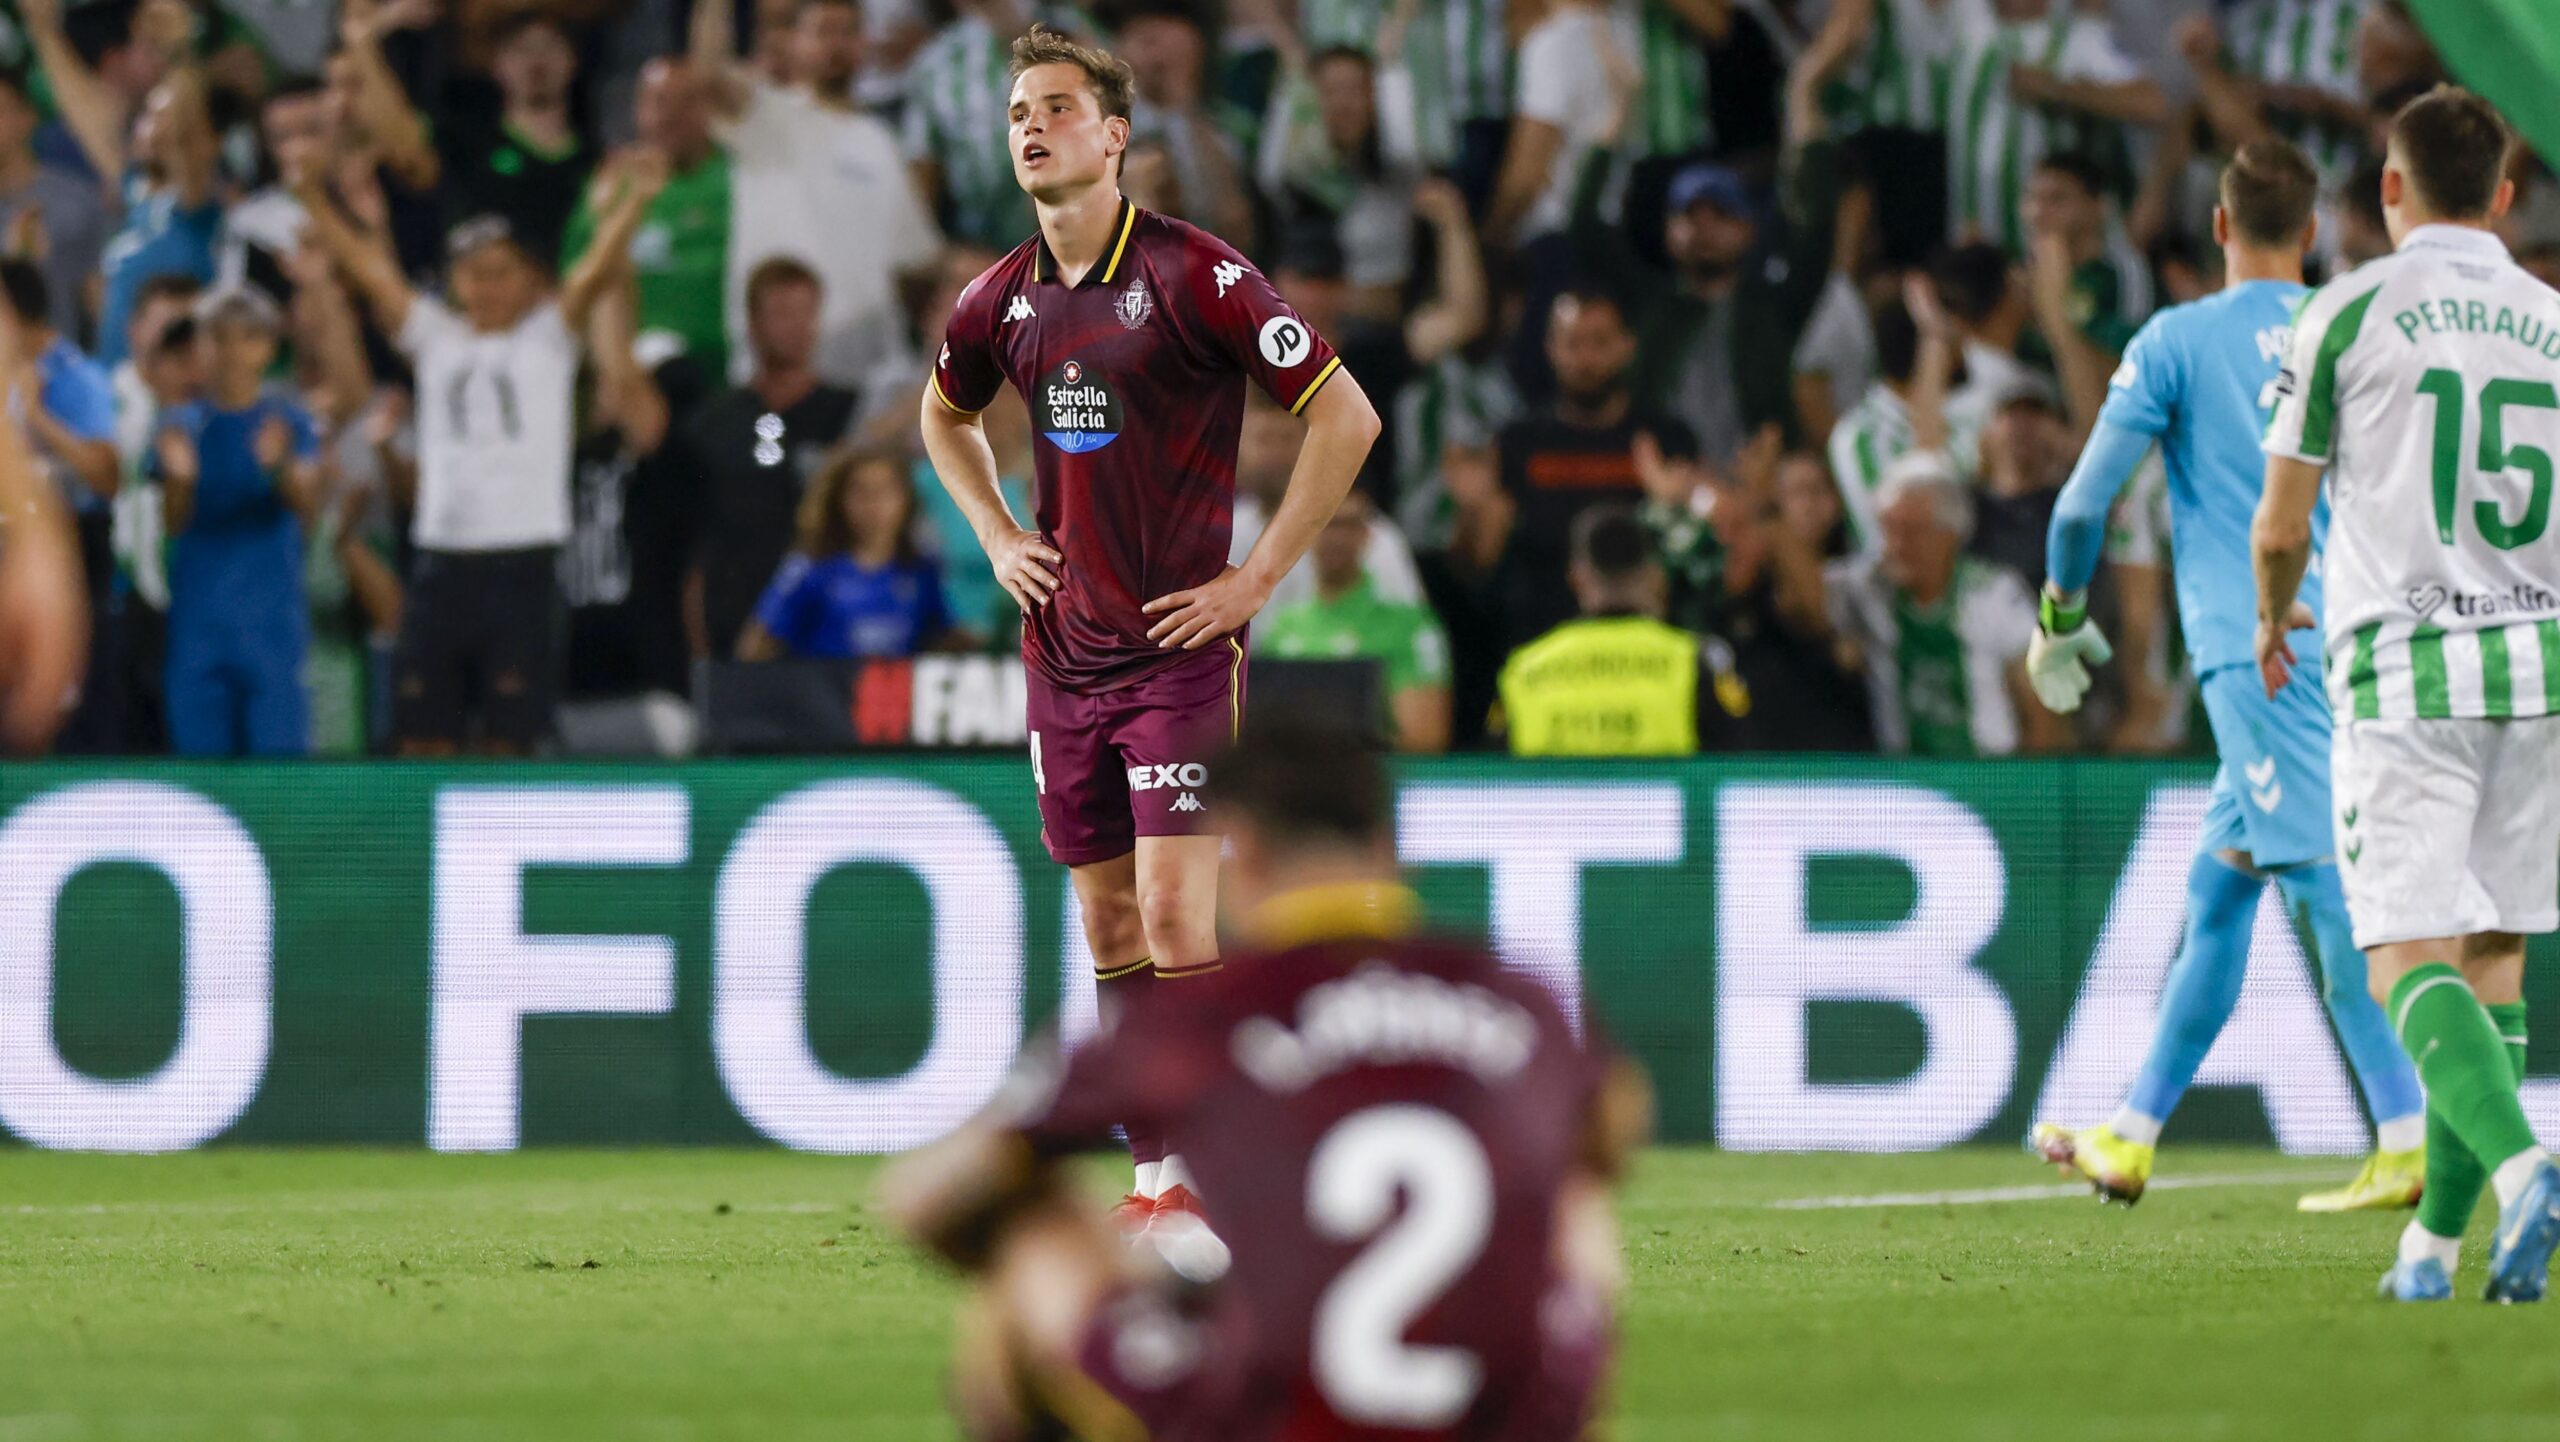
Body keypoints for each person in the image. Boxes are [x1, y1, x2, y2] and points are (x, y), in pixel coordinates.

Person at [877, 713, 1640, 1442]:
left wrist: (1169, 1290)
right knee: (1573, 1193)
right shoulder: (1518, 996)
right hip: (1500, 1420)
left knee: (1029, 1232)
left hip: (1259, 1421)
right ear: (1389, 849)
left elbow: (926, 1196)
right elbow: (1616, 1123)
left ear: (1238, 855)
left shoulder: (1193, 1018)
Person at [920, 26, 1379, 1222]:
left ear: (1115, 135)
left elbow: (1347, 416)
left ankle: (1225, 1169)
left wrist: (1256, 578)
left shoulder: (1195, 274)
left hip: (1177, 653)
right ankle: (1155, 1173)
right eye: (1019, 111)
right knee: (1110, 917)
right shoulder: (997, 297)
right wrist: (997, 535)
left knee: (1178, 912)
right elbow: (942, 417)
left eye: (1058, 107)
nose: (1032, 126)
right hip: (1062, 654)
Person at [2024, 140, 2428, 1216]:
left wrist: (2060, 617)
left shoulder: (2174, 340)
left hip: (2261, 647)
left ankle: (2406, 1136)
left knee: (2323, 888)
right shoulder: (2354, 327)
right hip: (2362, 637)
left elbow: (2080, 506)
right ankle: (2132, 1133)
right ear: (2311, 231)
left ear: (2218, 225)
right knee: (2220, 891)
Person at [2256, 88, 2560, 1303]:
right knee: (2491, 957)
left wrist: (2271, 611)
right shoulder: (2554, 318)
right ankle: (2431, 1252)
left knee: (2399, 959)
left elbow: (2281, 523)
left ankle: (2526, 1168)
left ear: (2388, 188)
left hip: (2406, 672)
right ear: (2502, 196)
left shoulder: (2344, 311)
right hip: (2541, 673)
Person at [300, 155, 665, 756]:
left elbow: (594, 272)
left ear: (527, 280)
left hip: (523, 559)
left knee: (510, 740)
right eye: (472, 273)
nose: (486, 286)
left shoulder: (548, 339)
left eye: (500, 272)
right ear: (454, 282)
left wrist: (632, 204)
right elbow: (373, 274)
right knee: (422, 736)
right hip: (442, 557)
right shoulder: (435, 338)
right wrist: (312, 199)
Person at [692, 0, 943, 387]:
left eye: (848, 32)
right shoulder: (766, 116)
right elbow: (708, 75)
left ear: (865, 44)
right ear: (793, 42)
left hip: (869, 376)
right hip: (779, 373)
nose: (836, 44)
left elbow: (918, 260)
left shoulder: (882, 144)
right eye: (823, 31)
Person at [1480, 287, 1693, 653]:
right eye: (1573, 343)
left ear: (1627, 346)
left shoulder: (1666, 440)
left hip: (1645, 645)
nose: (1586, 359)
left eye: (1600, 342)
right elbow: (1481, 564)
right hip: (1542, 645)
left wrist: (1673, 506)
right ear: (1550, 348)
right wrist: (1478, 511)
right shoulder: (1519, 443)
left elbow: (1697, 559)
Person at [154, 286, 319, 756]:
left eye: (246, 337)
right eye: (216, 337)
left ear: (268, 348)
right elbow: (173, 522)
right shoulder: (178, 425)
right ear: (198, 348)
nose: (230, 352)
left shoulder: (290, 422)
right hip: (198, 631)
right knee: (201, 775)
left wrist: (279, 467)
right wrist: (181, 480)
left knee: (279, 775)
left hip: (272, 631)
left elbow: (308, 509)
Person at [684, 256, 860, 663]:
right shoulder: (714, 421)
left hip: (825, 625)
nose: (797, 327)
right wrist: (697, 642)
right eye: (781, 313)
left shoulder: (849, 412)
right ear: (752, 322)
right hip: (733, 617)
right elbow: (694, 544)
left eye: (806, 312)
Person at [1824, 452, 2052, 756]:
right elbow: (1811, 599)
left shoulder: (1994, 593)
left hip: (1988, 772)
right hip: (1904, 778)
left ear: (1951, 535)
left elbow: (2040, 710)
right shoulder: (1869, 589)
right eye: (1889, 529)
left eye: (1912, 532)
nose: (1896, 545)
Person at [563, 58, 732, 388]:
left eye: (686, 101)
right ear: (636, 110)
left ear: (709, 107)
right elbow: (578, 289)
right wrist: (628, 205)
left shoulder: (735, 180)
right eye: (658, 101)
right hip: (628, 372)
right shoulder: (611, 183)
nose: (670, 115)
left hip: (718, 372)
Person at [1497, 505, 1714, 757]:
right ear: (1653, 575)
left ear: (1577, 578)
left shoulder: (1524, 668)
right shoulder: (1692, 661)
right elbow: (1738, 762)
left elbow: (1487, 771)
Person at [1257, 488, 1450, 752]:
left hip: (1373, 773)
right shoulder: (1283, 625)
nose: (1337, 538)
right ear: (1306, 535)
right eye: (1326, 524)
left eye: (1349, 525)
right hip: (1293, 773)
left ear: (1367, 534)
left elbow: (1425, 738)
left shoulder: (1409, 626)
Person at [737, 446, 957, 660]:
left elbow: (945, 637)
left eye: (885, 491)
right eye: (861, 492)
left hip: (894, 685)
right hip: (825, 684)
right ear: (838, 500)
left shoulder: (922, 571)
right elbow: (756, 647)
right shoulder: (809, 569)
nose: (874, 504)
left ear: (906, 499)